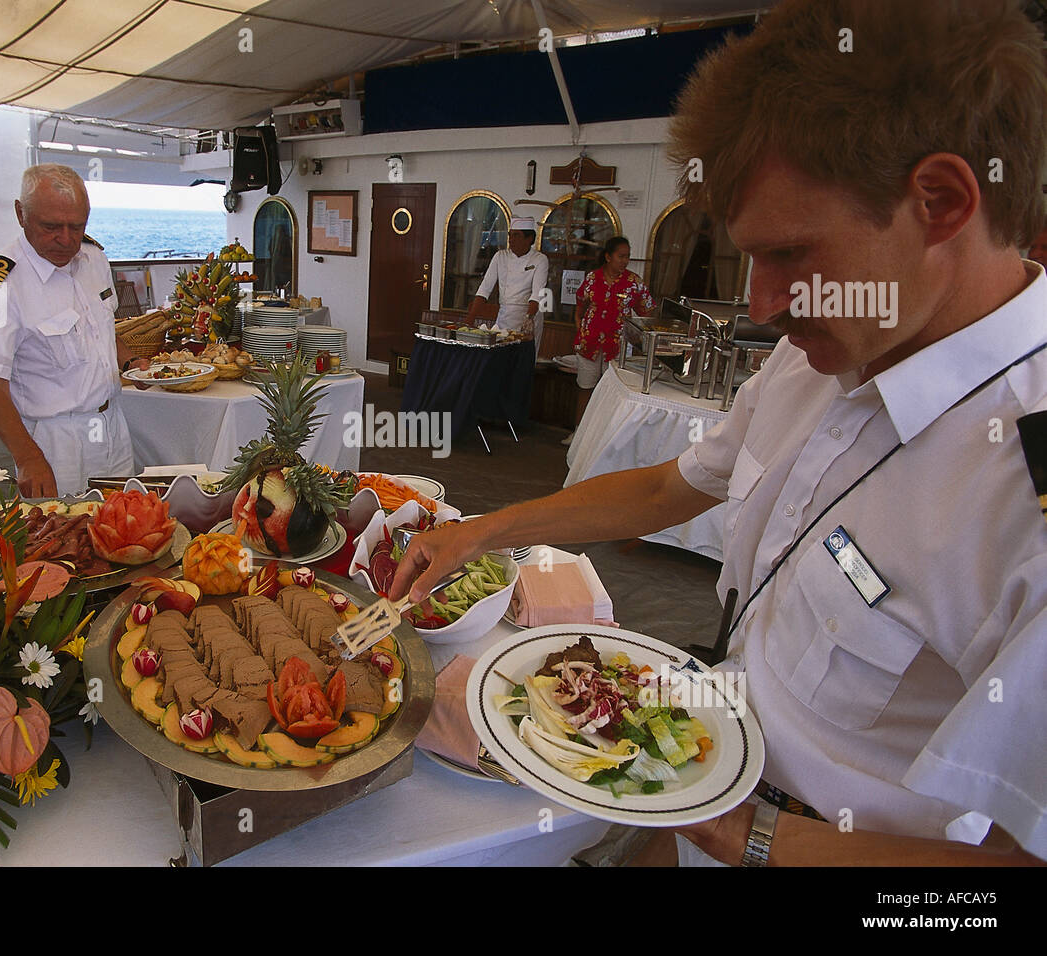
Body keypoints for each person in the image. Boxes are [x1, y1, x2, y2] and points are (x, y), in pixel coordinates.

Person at [393, 0, 1047, 866]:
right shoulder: (818, 358)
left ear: (942, 201)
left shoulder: (1021, 494)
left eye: (792, 256)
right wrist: (482, 532)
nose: (766, 308)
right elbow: (672, 488)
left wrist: (747, 834)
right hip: (701, 790)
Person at [0, 164, 149, 497]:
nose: (66, 239)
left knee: (119, 530)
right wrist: (28, 457)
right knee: (62, 541)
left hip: (110, 426)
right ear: (20, 213)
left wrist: (129, 362)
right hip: (54, 441)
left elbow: (102, 328)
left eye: (77, 226)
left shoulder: (94, 259)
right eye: (51, 226)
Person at [571, 236, 656, 431]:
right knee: (585, 388)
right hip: (589, 344)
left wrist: (637, 337)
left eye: (628, 257)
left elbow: (647, 312)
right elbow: (580, 303)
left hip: (618, 347)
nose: (625, 261)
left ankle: (603, 436)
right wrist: (580, 325)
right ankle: (578, 432)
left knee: (611, 393)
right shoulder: (592, 278)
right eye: (621, 256)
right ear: (608, 257)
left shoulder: (634, 283)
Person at [466, 217, 549, 355]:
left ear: (529, 239)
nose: (511, 239)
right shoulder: (500, 257)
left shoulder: (540, 259)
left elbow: (537, 293)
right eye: (510, 235)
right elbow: (485, 288)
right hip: (505, 315)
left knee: (523, 359)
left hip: (529, 315)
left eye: (517, 235)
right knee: (501, 356)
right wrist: (471, 317)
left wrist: (529, 318)